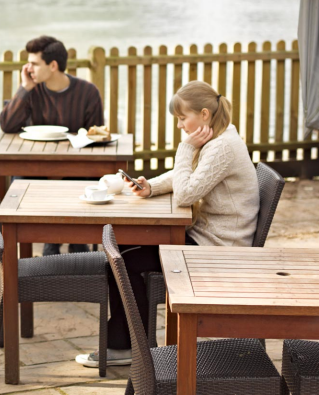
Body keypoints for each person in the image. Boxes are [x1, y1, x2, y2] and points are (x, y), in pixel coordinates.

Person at [76, 80, 259, 368]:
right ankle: (131, 343)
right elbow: (185, 176)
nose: (179, 126)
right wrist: (152, 187)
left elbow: (186, 191)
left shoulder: (222, 147)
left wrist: (185, 149)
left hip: (218, 249)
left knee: (121, 260)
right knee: (121, 252)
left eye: (182, 118)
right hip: (205, 237)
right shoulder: (219, 138)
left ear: (204, 115)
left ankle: (130, 347)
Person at [0, 35, 105, 255]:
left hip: (77, 169)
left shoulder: (88, 93)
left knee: (85, 182)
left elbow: (96, 137)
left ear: (53, 65)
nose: (28, 68)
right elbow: (7, 125)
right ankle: (51, 241)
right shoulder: (32, 91)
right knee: (19, 182)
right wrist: (24, 87)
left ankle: (76, 241)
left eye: (34, 63)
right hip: (35, 167)